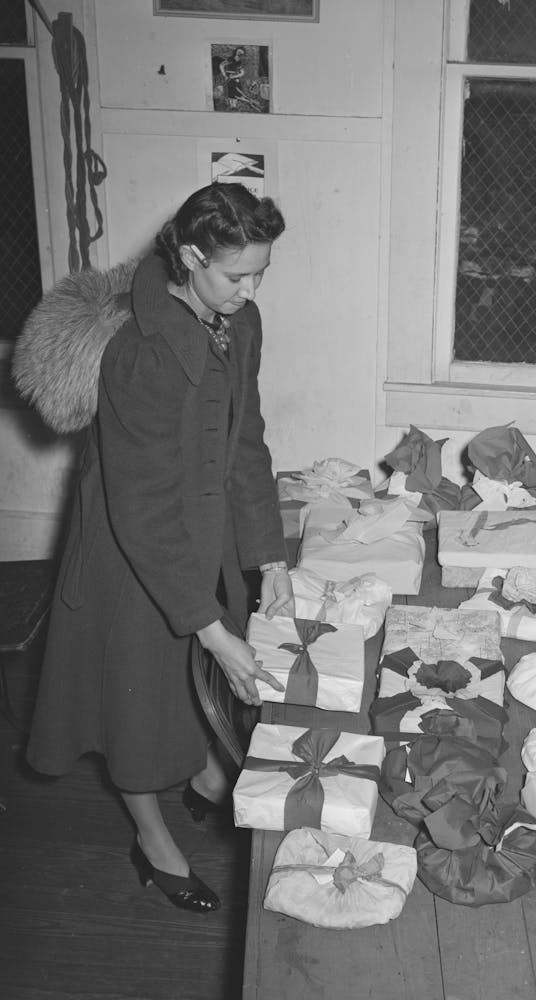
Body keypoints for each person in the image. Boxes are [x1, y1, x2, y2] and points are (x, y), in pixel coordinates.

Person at [15, 183, 294, 914]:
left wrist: (270, 559)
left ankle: (202, 776)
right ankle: (151, 839)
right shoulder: (138, 353)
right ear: (192, 255)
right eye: (237, 274)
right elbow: (141, 506)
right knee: (134, 702)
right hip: (130, 554)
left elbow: (246, 443)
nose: (251, 289)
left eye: (261, 272)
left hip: (203, 537)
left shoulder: (242, 321)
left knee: (189, 677)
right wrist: (209, 621)